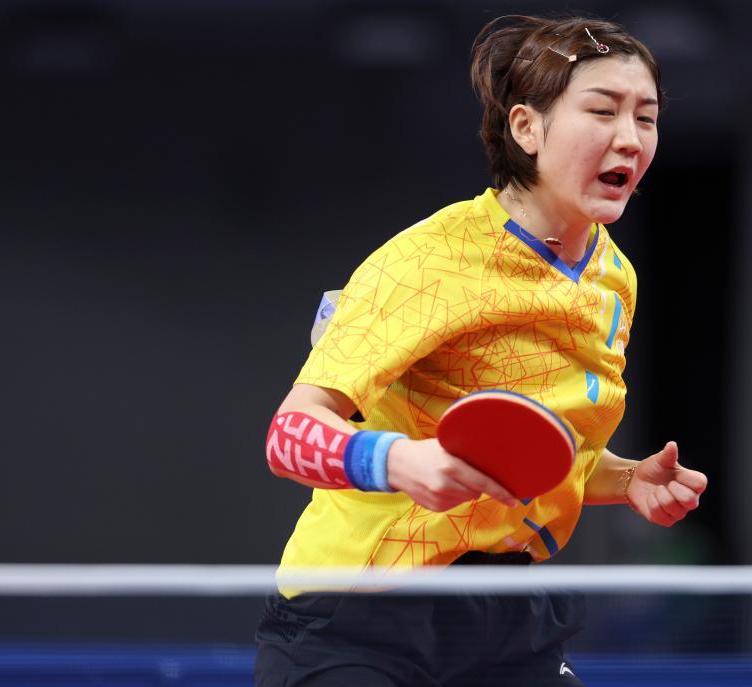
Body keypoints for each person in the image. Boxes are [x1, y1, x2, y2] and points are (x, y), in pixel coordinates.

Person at [255, 14, 709, 687]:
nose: (629, 137)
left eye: (645, 117)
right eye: (602, 110)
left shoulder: (613, 277)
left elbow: (530, 451)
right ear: (526, 128)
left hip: (505, 609)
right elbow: (289, 435)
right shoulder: (428, 261)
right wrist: (398, 460)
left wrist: (623, 478)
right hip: (361, 608)